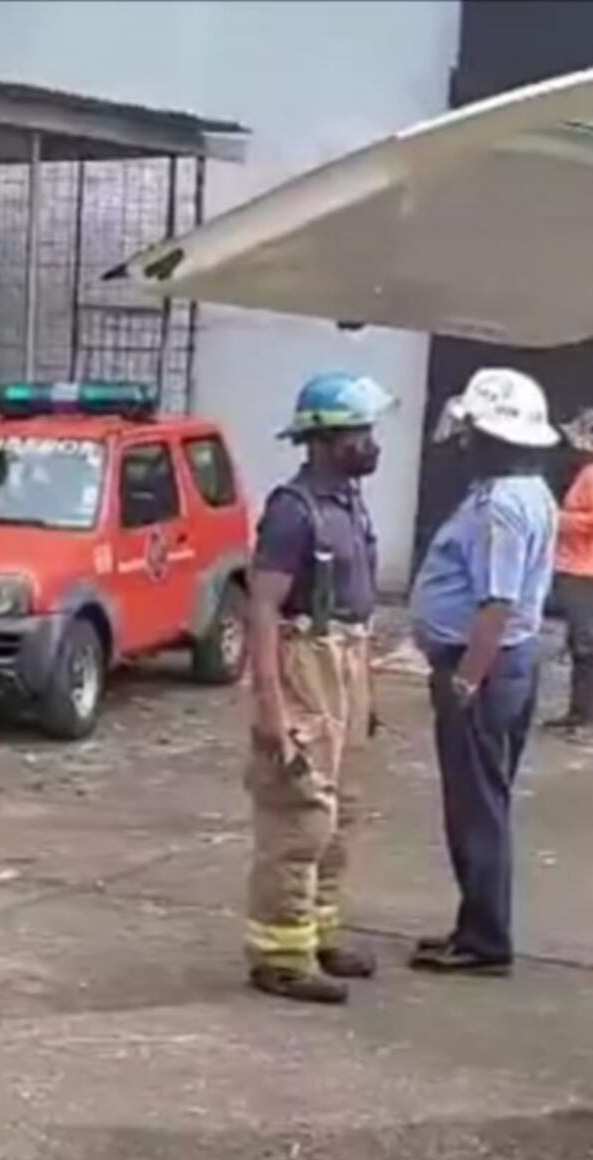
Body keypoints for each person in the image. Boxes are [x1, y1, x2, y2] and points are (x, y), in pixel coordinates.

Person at [245, 371, 396, 1005]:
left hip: (348, 657)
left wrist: (367, 692)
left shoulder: (348, 503)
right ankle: (280, 956)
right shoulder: (293, 510)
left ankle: (319, 932)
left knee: (344, 811)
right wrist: (274, 711)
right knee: (301, 811)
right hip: (306, 661)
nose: (371, 443)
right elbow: (261, 610)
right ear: (327, 438)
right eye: (361, 431)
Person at [409, 368, 559, 977]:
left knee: (476, 807)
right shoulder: (529, 494)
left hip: (485, 669)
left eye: (472, 430)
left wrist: (466, 680)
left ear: (491, 438)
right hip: (508, 667)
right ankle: (475, 927)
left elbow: (496, 603)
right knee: (484, 801)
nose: (463, 441)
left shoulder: (502, 505)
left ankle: (483, 942)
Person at [544, 408, 593, 732]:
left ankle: (592, 715)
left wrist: (560, 520)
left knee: (588, 645)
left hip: (590, 571)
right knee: (580, 644)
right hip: (584, 568)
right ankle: (581, 711)